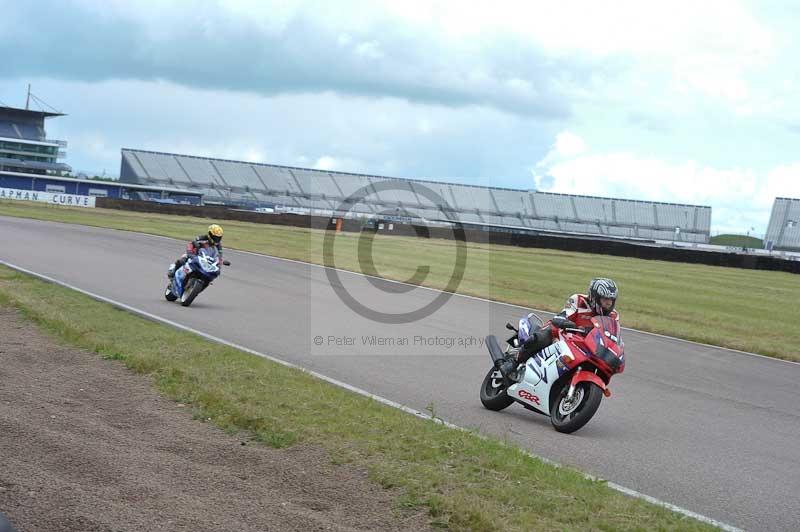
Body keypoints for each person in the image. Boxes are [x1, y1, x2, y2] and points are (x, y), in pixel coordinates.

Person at [498, 278, 619, 379]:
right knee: (540, 338)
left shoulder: (613, 315)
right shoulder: (579, 300)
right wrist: (566, 322)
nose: (608, 304)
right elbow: (563, 315)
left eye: (610, 301)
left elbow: (612, 336)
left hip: (583, 344)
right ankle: (514, 362)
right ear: (595, 297)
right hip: (561, 332)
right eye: (604, 300)